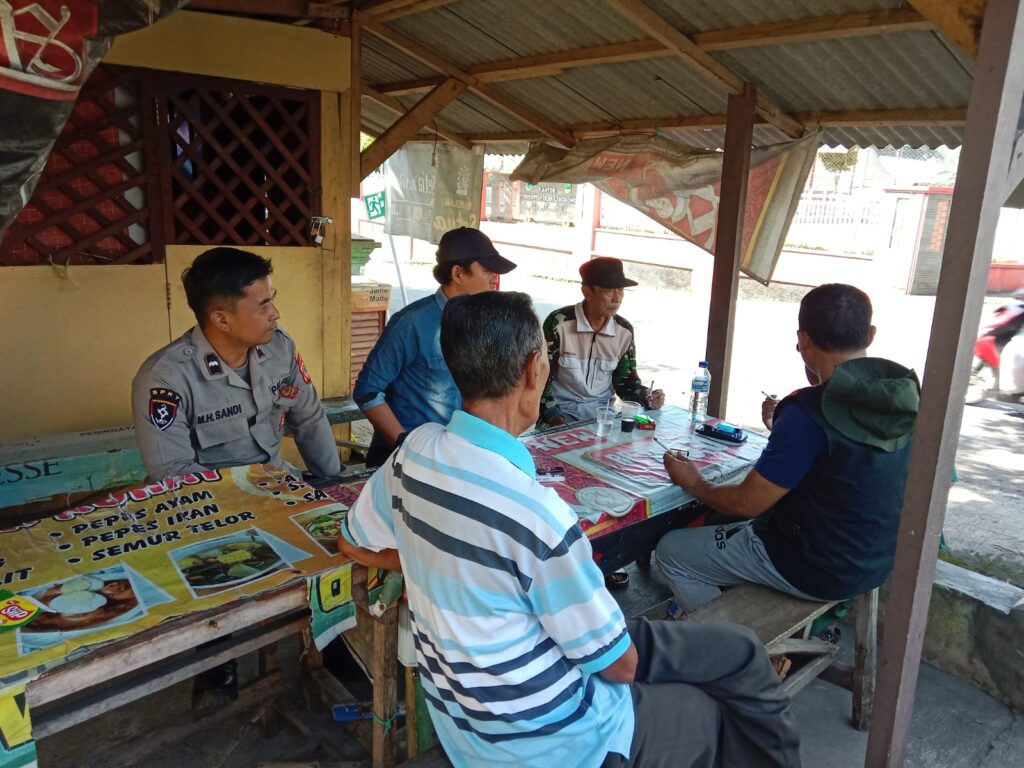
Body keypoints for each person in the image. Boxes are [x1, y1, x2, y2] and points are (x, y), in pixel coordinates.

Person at [340, 291, 801, 768]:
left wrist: (438, 560)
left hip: (466, 728)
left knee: (734, 652)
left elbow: (352, 540)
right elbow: (618, 664)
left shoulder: (413, 451)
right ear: (534, 368)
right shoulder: (538, 515)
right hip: (562, 741)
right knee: (717, 703)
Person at [132, 246, 342, 703]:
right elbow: (173, 477)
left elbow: (308, 418)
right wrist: (257, 507)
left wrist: (332, 487)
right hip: (209, 511)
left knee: (345, 544)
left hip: (278, 491)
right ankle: (217, 662)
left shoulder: (279, 348)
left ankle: (335, 645)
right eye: (263, 304)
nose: (275, 313)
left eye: (273, 300)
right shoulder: (167, 377)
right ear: (221, 318)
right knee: (216, 578)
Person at [656, 283, 921, 615]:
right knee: (724, 523)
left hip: (812, 567)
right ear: (870, 335)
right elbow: (850, 460)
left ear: (804, 339)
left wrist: (695, 482)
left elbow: (748, 503)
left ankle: (731, 640)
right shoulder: (903, 397)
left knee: (672, 551)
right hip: (875, 562)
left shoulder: (806, 412)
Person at [353, 227, 516, 467]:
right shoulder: (411, 324)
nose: (495, 278)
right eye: (487, 270)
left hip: (459, 455)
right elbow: (367, 391)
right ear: (458, 273)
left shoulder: (484, 323)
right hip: (408, 461)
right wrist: (405, 445)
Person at [540, 257, 664, 427]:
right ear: (587, 292)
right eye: (609, 291)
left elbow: (626, 383)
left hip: (603, 417)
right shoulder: (558, 324)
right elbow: (539, 380)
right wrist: (555, 417)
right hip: (560, 415)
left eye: (620, 290)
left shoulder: (624, 331)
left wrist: (648, 397)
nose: (617, 298)